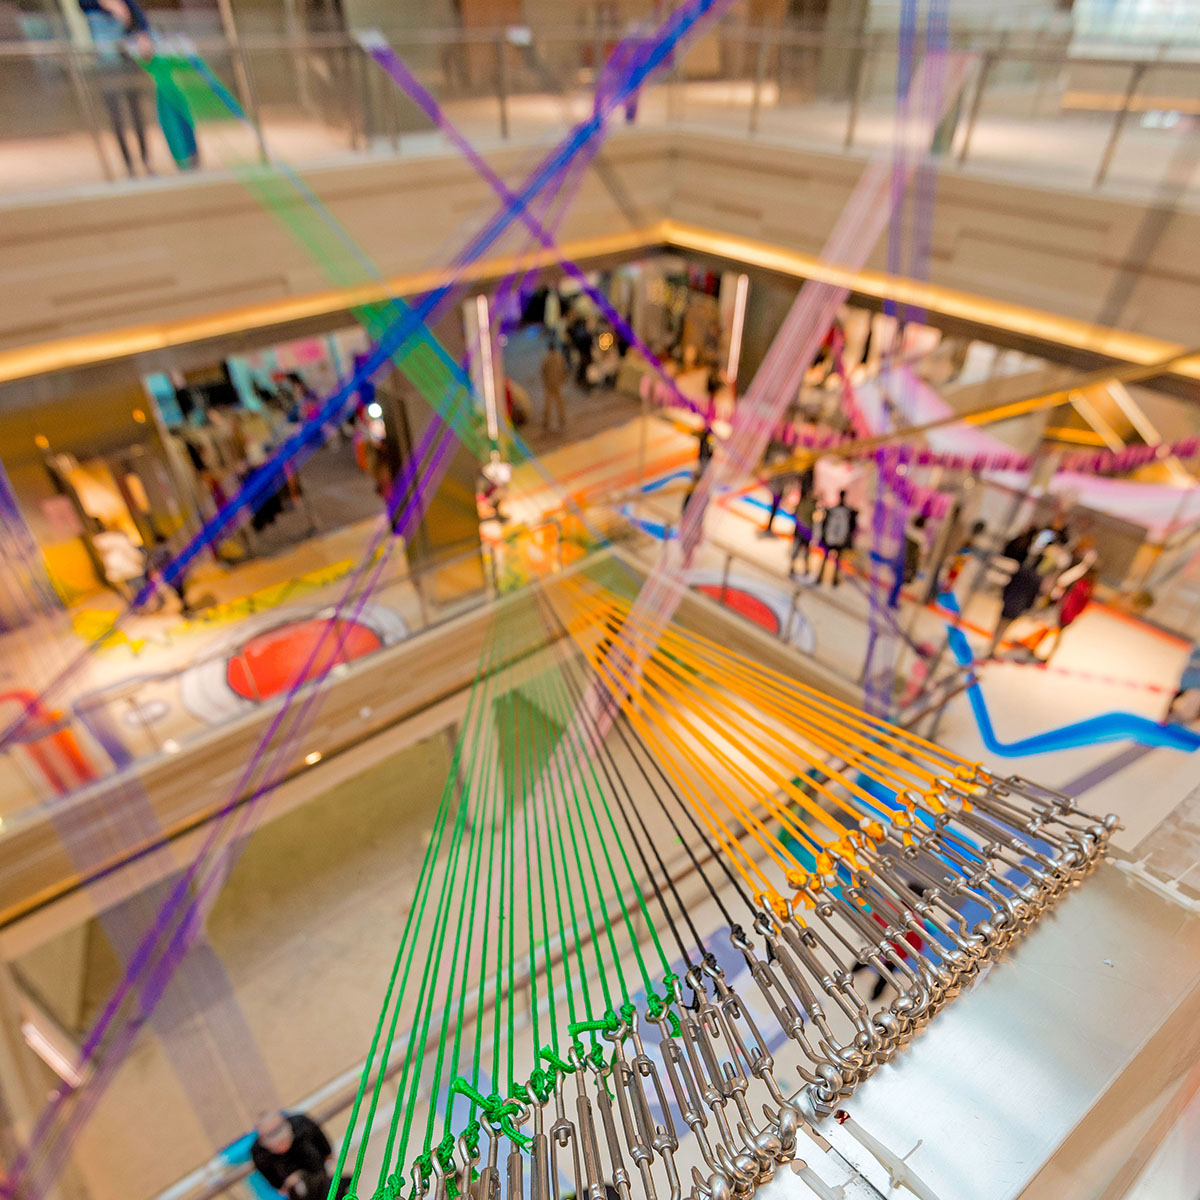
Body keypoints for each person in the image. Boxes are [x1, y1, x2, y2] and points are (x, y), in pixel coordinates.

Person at [80, 0, 154, 178]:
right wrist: (107, 4)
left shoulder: (128, 5)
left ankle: (146, 161)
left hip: (128, 64)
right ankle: (129, 165)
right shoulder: (90, 5)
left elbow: (139, 20)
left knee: (137, 114)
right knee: (116, 117)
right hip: (106, 67)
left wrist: (143, 34)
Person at [251, 1111, 348, 1200]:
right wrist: (283, 1185)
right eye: (278, 1146)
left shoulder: (302, 1124)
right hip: (295, 1186)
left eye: (284, 1142)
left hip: (316, 1170)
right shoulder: (260, 1154)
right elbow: (274, 1181)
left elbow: (320, 1139)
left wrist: (328, 1153)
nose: (283, 1147)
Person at [987, 556, 1041, 660]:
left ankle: (993, 648)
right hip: (1018, 606)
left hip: (1009, 602)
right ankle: (994, 648)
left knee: (1000, 626)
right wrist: (1027, 607)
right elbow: (1032, 596)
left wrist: (1004, 597)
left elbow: (1009, 586)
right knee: (1004, 628)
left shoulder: (1021, 571)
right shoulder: (1037, 578)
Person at [1040, 567, 1093, 662]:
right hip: (1066, 614)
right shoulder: (1086, 587)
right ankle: (1047, 653)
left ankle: (1046, 654)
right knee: (1052, 632)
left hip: (1065, 613)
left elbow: (1073, 600)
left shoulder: (1082, 585)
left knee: (1050, 631)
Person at [818, 490, 857, 586]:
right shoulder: (846, 512)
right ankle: (830, 578)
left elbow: (826, 523)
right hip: (838, 538)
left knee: (829, 557)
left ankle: (824, 577)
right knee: (834, 559)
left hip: (832, 537)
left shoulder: (836, 510)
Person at [789, 479, 819, 580]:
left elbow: (795, 513)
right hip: (805, 531)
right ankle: (803, 570)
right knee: (803, 551)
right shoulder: (811, 504)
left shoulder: (804, 503)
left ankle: (796, 568)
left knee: (799, 550)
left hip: (801, 530)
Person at [540, 340, 568, 434]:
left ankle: (546, 420)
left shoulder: (546, 358)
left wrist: (545, 382)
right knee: (559, 402)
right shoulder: (559, 357)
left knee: (548, 403)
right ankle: (562, 417)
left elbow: (543, 371)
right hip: (556, 383)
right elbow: (563, 369)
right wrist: (562, 379)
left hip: (549, 384)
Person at [1167, 643, 1200, 723]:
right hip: (1191, 677)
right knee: (1179, 696)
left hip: (1192, 679)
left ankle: (1171, 716)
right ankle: (1168, 716)